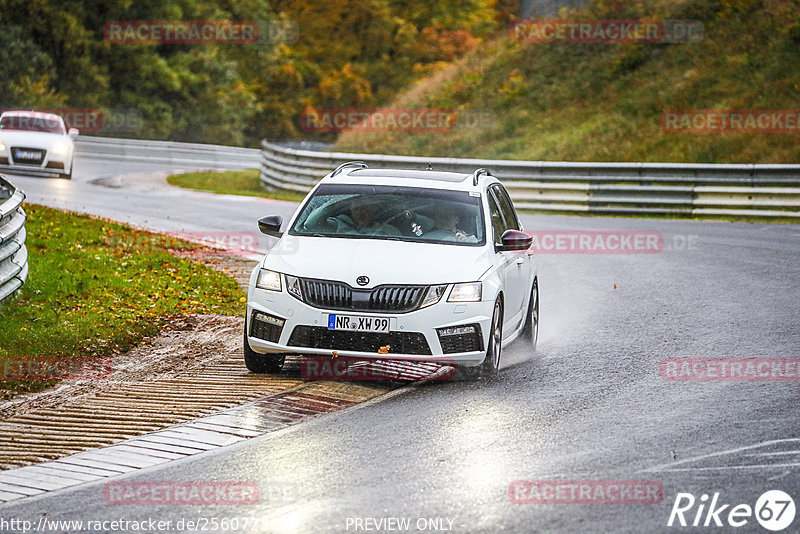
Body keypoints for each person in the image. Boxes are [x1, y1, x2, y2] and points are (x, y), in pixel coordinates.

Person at [329, 197, 402, 236]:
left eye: (364, 208)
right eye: (356, 208)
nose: (360, 212)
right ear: (350, 209)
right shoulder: (339, 222)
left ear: (374, 208)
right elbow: (317, 223)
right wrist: (332, 205)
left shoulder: (390, 231)